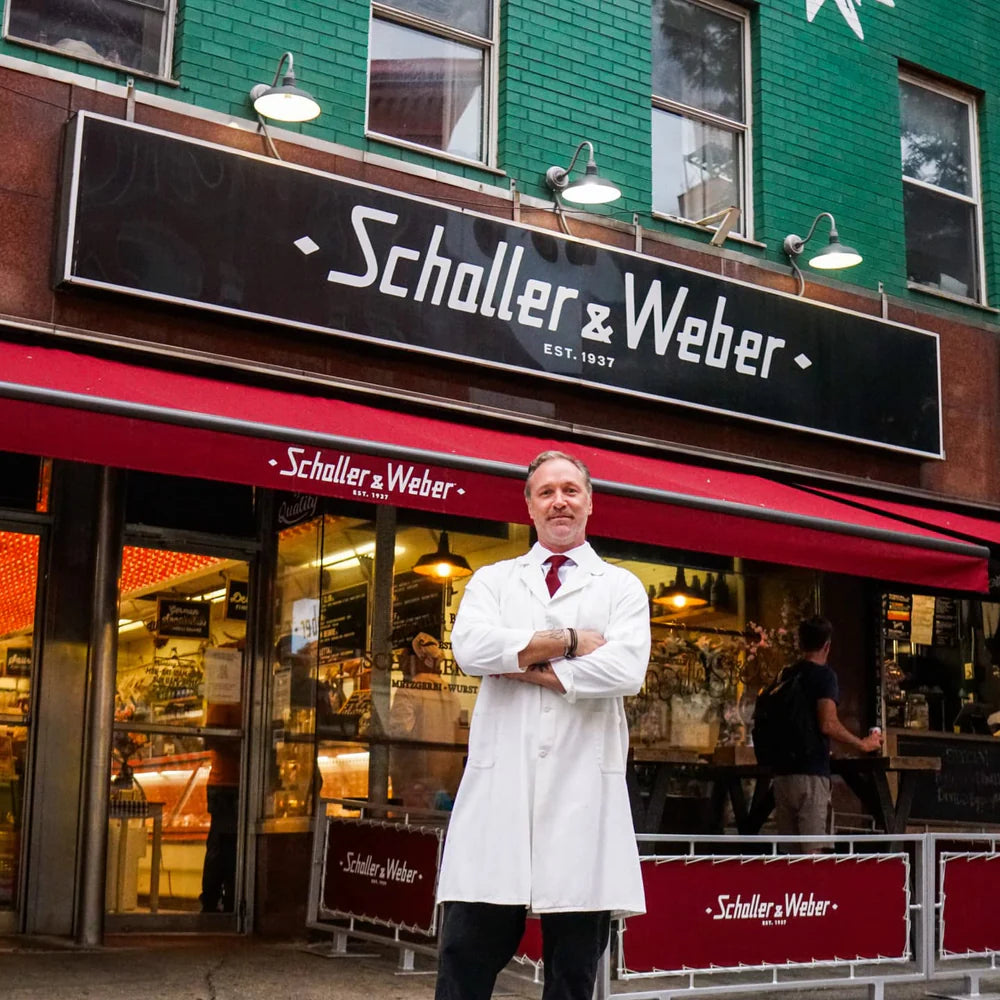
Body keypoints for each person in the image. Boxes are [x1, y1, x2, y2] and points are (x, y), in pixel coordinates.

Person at [434, 450, 651, 1000]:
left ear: (590, 503)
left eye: (570, 490)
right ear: (528, 506)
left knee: (573, 972)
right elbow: (470, 649)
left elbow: (626, 670)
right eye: (547, 492)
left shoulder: (621, 587)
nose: (559, 501)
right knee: (465, 955)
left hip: (583, 797)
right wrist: (570, 642)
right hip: (500, 793)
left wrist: (520, 662)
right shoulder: (493, 581)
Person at [772, 615, 883, 852]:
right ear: (827, 646)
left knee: (788, 857)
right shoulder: (824, 676)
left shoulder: (786, 675)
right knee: (814, 852)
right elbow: (828, 724)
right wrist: (862, 744)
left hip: (782, 775)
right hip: (811, 773)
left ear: (800, 643)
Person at [388, 632, 463, 808]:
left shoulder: (408, 691)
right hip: (444, 786)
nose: (400, 664)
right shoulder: (451, 694)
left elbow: (399, 734)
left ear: (417, 660)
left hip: (414, 787)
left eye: (403, 657)